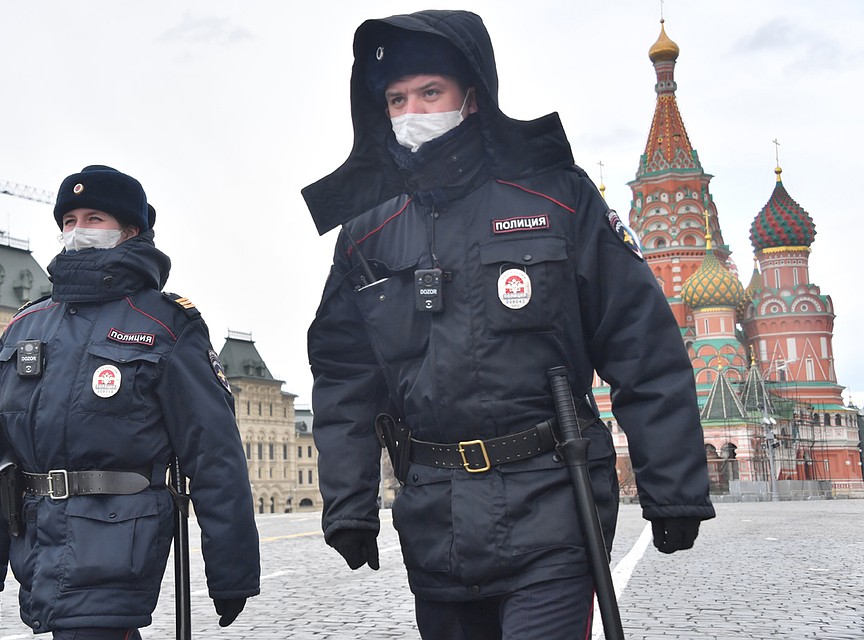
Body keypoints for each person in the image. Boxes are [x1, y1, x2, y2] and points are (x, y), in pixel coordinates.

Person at [302, 11, 715, 640]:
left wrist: (673, 486)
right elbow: (345, 376)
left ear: (472, 97)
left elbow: (641, 342)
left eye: (430, 92)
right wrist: (348, 503)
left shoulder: (555, 197)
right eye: (397, 98)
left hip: (552, 501)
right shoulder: (370, 229)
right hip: (435, 519)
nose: (413, 110)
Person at [0, 165, 260, 638]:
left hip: (122, 543)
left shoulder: (166, 324)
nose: (78, 232)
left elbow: (214, 454)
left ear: (130, 231)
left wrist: (231, 569)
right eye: (69, 221)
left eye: (94, 218)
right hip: (35, 543)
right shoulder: (23, 327)